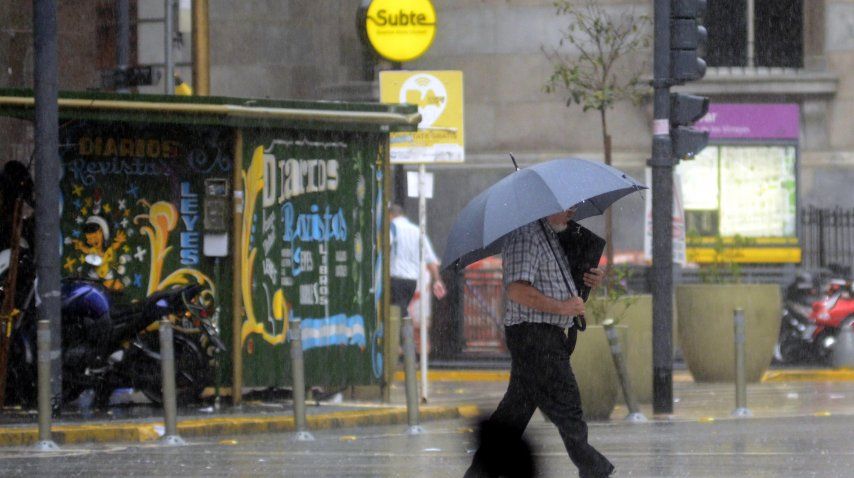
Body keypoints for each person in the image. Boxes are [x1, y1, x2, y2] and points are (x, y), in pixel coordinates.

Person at [464, 206, 614, 478]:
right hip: (535, 336)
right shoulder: (527, 236)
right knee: (568, 404)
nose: (572, 214)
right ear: (547, 208)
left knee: (515, 412)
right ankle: (593, 467)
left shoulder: (550, 235)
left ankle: (479, 473)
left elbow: (554, 281)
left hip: (544, 335)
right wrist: (563, 307)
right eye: (567, 209)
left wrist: (588, 279)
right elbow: (517, 289)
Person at [389, 204, 447, 317]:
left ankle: (402, 333)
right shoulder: (417, 231)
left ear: (390, 215)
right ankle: (404, 330)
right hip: (411, 281)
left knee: (393, 313)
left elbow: (386, 246)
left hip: (395, 278)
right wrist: (437, 280)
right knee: (402, 311)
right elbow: (430, 259)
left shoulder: (392, 227)